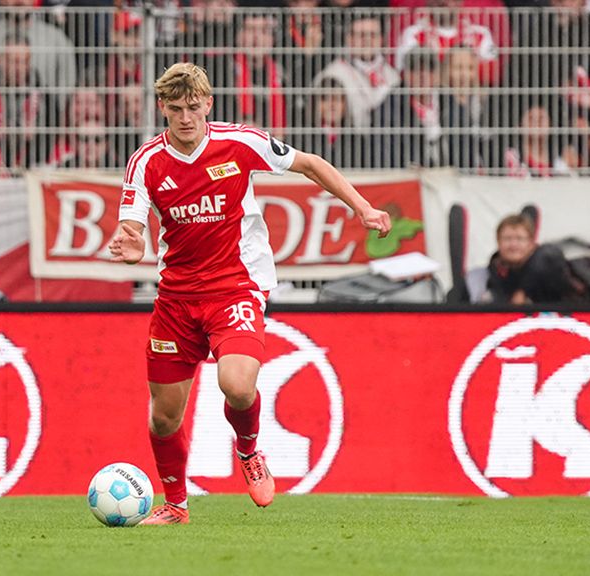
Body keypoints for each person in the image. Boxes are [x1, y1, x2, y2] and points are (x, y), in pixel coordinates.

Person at [108, 63, 390, 525]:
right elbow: (131, 226)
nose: (185, 118)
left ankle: (249, 450)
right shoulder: (146, 162)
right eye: (176, 109)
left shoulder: (240, 142)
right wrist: (132, 242)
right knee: (163, 418)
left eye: (193, 107)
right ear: (162, 108)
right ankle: (176, 506)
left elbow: (310, 164)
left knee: (238, 386)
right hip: (176, 297)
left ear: (208, 104)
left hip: (235, 287)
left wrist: (362, 207)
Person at [485, 214, 578, 304]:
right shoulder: (496, 269)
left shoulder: (547, 261)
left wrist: (522, 291)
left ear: (531, 243)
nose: (513, 245)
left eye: (520, 239)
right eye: (507, 239)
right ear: (498, 241)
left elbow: (548, 253)